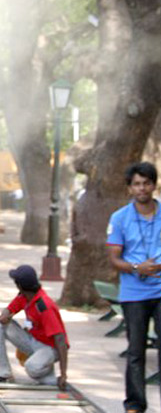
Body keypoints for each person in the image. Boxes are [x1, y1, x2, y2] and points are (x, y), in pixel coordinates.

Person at [106, 161, 161, 413]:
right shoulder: (119, 218)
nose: (142, 188)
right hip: (134, 294)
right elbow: (114, 259)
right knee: (136, 351)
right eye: (137, 184)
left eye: (146, 183)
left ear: (154, 185)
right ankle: (135, 405)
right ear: (130, 188)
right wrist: (138, 268)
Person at [0, 265, 69, 390]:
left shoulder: (44, 306)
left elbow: (60, 340)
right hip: (33, 340)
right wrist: (5, 315)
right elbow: (9, 309)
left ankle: (47, 372)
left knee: (32, 367)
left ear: (19, 286)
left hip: (50, 347)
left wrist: (64, 373)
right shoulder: (24, 296)